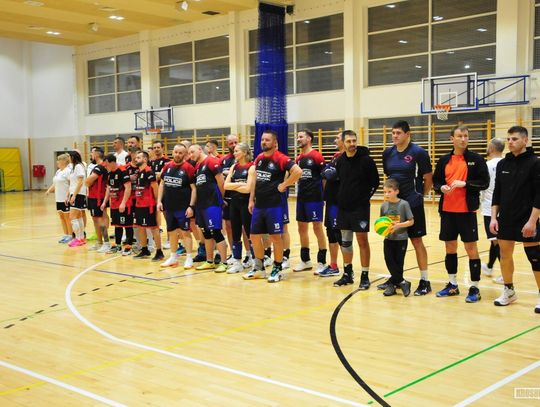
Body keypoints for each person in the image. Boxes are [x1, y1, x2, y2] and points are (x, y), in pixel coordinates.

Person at [432, 125, 489, 303]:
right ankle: (452, 284)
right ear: (452, 139)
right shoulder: (444, 160)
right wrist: (440, 187)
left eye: (466, 136)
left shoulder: (476, 159)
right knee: (450, 248)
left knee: (471, 249)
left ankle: (475, 287)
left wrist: (466, 184)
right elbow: (436, 182)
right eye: (460, 136)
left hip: (467, 212)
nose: (463, 139)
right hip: (447, 211)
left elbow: (485, 182)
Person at [491, 126, 540, 313]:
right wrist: (494, 218)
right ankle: (509, 291)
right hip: (506, 218)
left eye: (515, 139)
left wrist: (532, 221)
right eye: (509, 139)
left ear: (525, 140)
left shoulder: (535, 163)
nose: (510, 142)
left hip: (528, 218)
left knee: (535, 256)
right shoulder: (503, 164)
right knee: (505, 255)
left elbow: (539, 195)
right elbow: (497, 193)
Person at [382, 120, 433, 295]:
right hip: (394, 207)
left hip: (412, 204)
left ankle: (425, 281)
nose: (395, 136)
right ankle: (396, 279)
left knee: (417, 241)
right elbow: (389, 178)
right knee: (394, 243)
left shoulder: (418, 153)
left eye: (398, 133)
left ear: (407, 134)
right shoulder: (388, 153)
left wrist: (420, 196)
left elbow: (428, 177)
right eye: (393, 133)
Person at [243, 129, 302, 282]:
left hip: (274, 206)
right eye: (262, 139)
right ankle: (259, 268)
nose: (264, 142)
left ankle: (277, 268)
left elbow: (298, 171)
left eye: (267, 140)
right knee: (254, 236)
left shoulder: (281, 158)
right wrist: (251, 200)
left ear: (275, 142)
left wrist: (285, 184)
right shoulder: (259, 158)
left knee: (275, 237)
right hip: (259, 205)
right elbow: (255, 181)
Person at [333, 130, 380, 288]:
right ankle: (347, 273)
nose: (352, 144)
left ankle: (365, 276)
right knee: (345, 242)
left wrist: (364, 198)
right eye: (349, 141)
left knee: (362, 241)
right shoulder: (340, 161)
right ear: (343, 143)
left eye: (354, 141)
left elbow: (375, 182)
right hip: (343, 209)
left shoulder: (366, 160)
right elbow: (339, 182)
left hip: (360, 209)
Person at [293, 129, 328, 274]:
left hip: (314, 198)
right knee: (301, 228)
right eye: (298, 137)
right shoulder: (298, 159)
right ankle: (305, 260)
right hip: (301, 197)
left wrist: (323, 196)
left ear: (309, 139)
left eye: (301, 137)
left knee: (317, 227)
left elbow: (324, 178)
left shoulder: (316, 156)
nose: (298, 139)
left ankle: (322, 261)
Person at [189, 144, 228, 273]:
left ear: (200, 150)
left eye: (192, 152)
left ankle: (224, 262)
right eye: (189, 153)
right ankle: (209, 261)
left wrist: (221, 198)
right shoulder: (197, 166)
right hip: (202, 205)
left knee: (215, 232)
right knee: (206, 233)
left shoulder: (211, 161)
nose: (191, 155)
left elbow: (221, 182)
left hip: (212, 203)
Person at [157, 144, 196, 269]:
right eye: (176, 152)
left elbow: (194, 189)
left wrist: (191, 206)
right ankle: (173, 257)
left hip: (183, 207)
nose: (178, 155)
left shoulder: (188, 168)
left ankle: (189, 257)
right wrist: (159, 201)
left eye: (180, 153)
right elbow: (162, 184)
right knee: (172, 232)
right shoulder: (167, 166)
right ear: (172, 152)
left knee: (185, 232)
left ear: (185, 154)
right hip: (169, 207)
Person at [379, 178, 414, 297]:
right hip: (388, 239)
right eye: (385, 192)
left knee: (399, 263)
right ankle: (403, 282)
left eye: (389, 192)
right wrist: (381, 229)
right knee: (389, 260)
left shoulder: (404, 204)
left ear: (397, 191)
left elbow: (411, 221)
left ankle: (392, 285)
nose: (386, 194)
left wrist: (398, 225)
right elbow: (381, 222)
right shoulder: (384, 206)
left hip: (401, 239)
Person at [223, 142, 253, 274]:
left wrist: (234, 185)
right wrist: (241, 184)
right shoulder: (234, 167)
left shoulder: (251, 167)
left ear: (245, 152)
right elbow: (225, 186)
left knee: (250, 233)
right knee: (235, 233)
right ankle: (237, 262)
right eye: (234, 151)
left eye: (237, 151)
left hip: (246, 204)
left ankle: (254, 260)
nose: (234, 153)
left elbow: (248, 189)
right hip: (234, 203)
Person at [318, 132, 345, 277]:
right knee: (331, 234)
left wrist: (330, 172)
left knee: (340, 235)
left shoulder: (347, 159)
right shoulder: (335, 156)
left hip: (339, 202)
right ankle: (333, 265)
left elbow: (330, 174)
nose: (335, 140)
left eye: (337, 138)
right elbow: (325, 173)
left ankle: (348, 268)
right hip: (330, 201)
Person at [480, 137, 505, 283]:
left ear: (492, 148)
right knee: (495, 240)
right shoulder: (506, 163)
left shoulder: (487, 165)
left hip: (490, 209)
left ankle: (505, 275)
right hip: (504, 208)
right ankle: (489, 266)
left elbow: (482, 186)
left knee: (498, 243)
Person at [132, 151, 164, 261]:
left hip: (149, 205)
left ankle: (159, 252)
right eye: (136, 157)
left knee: (154, 228)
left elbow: (155, 187)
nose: (136, 159)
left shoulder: (148, 171)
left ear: (145, 159)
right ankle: (144, 250)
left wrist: (157, 202)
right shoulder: (139, 172)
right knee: (140, 227)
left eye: (138, 157)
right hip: (139, 205)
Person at [101, 154, 133, 254]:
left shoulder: (122, 171)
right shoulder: (110, 173)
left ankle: (128, 246)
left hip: (124, 204)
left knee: (127, 225)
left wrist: (123, 203)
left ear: (111, 162)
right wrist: (104, 202)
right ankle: (117, 245)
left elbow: (128, 187)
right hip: (114, 204)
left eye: (106, 164)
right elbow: (108, 188)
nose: (105, 166)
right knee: (117, 225)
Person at [85, 148, 110, 252]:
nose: (91, 155)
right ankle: (99, 242)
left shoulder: (100, 167)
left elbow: (88, 181)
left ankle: (106, 243)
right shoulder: (98, 167)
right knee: (95, 219)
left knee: (101, 220)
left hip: (98, 197)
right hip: (93, 196)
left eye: (92, 153)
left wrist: (87, 182)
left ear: (96, 155)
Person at [45, 153, 72, 243]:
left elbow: (72, 184)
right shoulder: (58, 171)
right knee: (61, 217)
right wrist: (49, 190)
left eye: (58, 160)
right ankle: (65, 234)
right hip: (58, 198)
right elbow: (55, 183)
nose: (57, 162)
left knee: (67, 217)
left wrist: (68, 196)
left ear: (64, 161)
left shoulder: (68, 171)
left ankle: (70, 235)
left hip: (65, 198)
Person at [220, 134, 239, 264]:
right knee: (228, 226)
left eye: (235, 142)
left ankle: (249, 254)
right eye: (231, 143)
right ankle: (233, 252)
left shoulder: (244, 158)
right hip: (227, 197)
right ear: (227, 144)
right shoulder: (224, 160)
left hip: (240, 197)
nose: (233, 145)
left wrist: (229, 173)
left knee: (243, 227)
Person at [67, 151, 87, 247]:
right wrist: (69, 195)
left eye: (69, 157)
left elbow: (80, 182)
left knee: (72, 217)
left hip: (78, 194)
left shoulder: (79, 166)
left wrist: (74, 195)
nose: (68, 159)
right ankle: (81, 238)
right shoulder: (73, 167)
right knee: (78, 216)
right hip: (75, 193)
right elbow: (73, 183)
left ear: (73, 157)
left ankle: (78, 238)